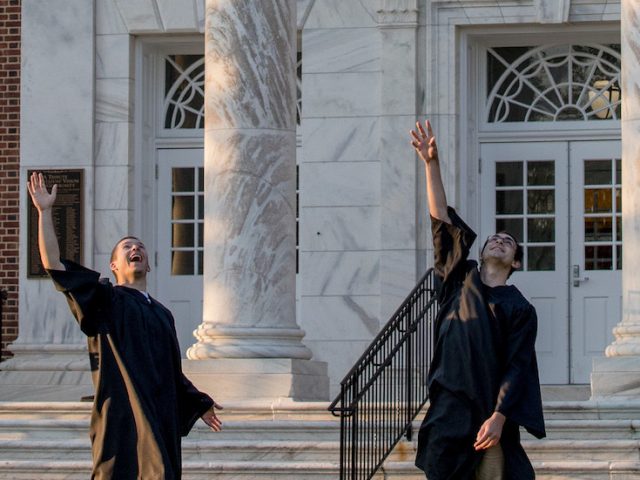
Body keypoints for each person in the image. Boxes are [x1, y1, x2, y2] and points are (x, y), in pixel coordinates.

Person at [27, 172, 223, 480]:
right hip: (122, 415)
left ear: (148, 263)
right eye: (127, 247)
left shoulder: (162, 314)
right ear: (114, 265)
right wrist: (45, 213)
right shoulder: (105, 299)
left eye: (140, 247)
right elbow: (55, 266)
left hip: (158, 418)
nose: (136, 249)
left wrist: (198, 403)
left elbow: (171, 372)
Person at [409, 121, 546, 479]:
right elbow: (441, 221)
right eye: (493, 238)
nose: (498, 241)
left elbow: (518, 367)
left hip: (488, 415)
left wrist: (499, 417)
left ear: (515, 261)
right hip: (448, 408)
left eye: (508, 241)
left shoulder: (520, 308)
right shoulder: (458, 279)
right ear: (482, 251)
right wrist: (431, 164)